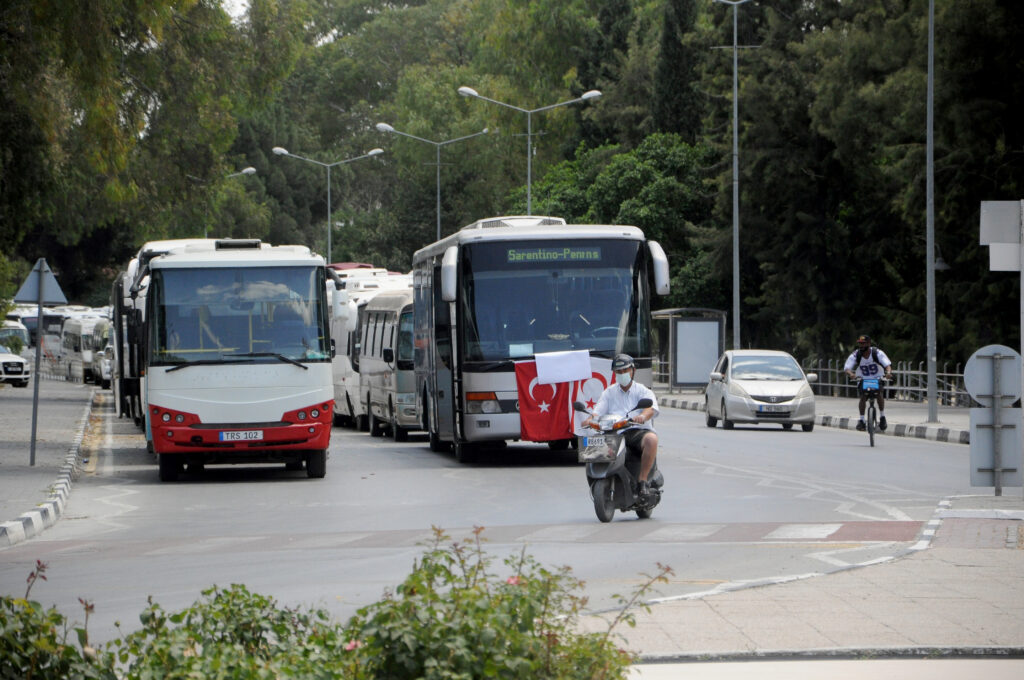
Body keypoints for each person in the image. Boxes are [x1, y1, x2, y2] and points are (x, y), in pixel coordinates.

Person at [581, 353, 660, 501]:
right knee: (590, 445)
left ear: (632, 371)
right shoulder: (609, 392)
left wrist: (642, 417)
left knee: (651, 440)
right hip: (614, 432)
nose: (622, 374)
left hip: (637, 432)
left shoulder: (642, 390)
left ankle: (643, 482)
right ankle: (596, 481)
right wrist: (589, 420)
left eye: (625, 371)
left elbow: (650, 408)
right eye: (619, 372)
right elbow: (597, 413)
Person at [844, 334, 893, 431]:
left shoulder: (877, 353)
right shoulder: (856, 354)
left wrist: (888, 373)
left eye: (864, 344)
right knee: (863, 397)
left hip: (877, 377)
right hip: (863, 378)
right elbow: (847, 368)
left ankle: (882, 417)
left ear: (869, 344)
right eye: (860, 344)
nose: (861, 346)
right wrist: (851, 374)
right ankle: (862, 420)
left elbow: (887, 365)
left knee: (879, 394)